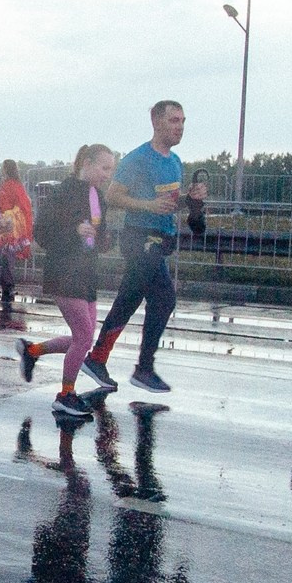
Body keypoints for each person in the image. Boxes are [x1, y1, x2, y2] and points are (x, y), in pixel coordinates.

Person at [85, 100, 208, 396]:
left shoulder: (175, 162)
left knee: (132, 299)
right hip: (139, 237)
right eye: (173, 121)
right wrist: (148, 205)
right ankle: (141, 368)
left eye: (182, 121)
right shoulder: (137, 159)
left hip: (160, 238)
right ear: (156, 122)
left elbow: (167, 203)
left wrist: (191, 199)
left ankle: (100, 359)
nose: (179, 127)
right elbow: (114, 196)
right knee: (162, 298)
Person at [21, 144, 114, 423]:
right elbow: (42, 232)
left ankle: (32, 351)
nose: (107, 175)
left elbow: (99, 234)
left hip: (87, 273)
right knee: (84, 336)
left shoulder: (98, 195)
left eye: (111, 170)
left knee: (81, 340)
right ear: (87, 163)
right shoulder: (64, 192)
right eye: (104, 168)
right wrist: (73, 231)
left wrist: (103, 241)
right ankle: (65, 395)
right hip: (63, 272)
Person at [0, 160, 35, 329]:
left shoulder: (7, 186)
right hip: (17, 229)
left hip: (7, 228)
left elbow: (1, 205)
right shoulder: (19, 186)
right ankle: (1, 286)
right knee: (6, 258)